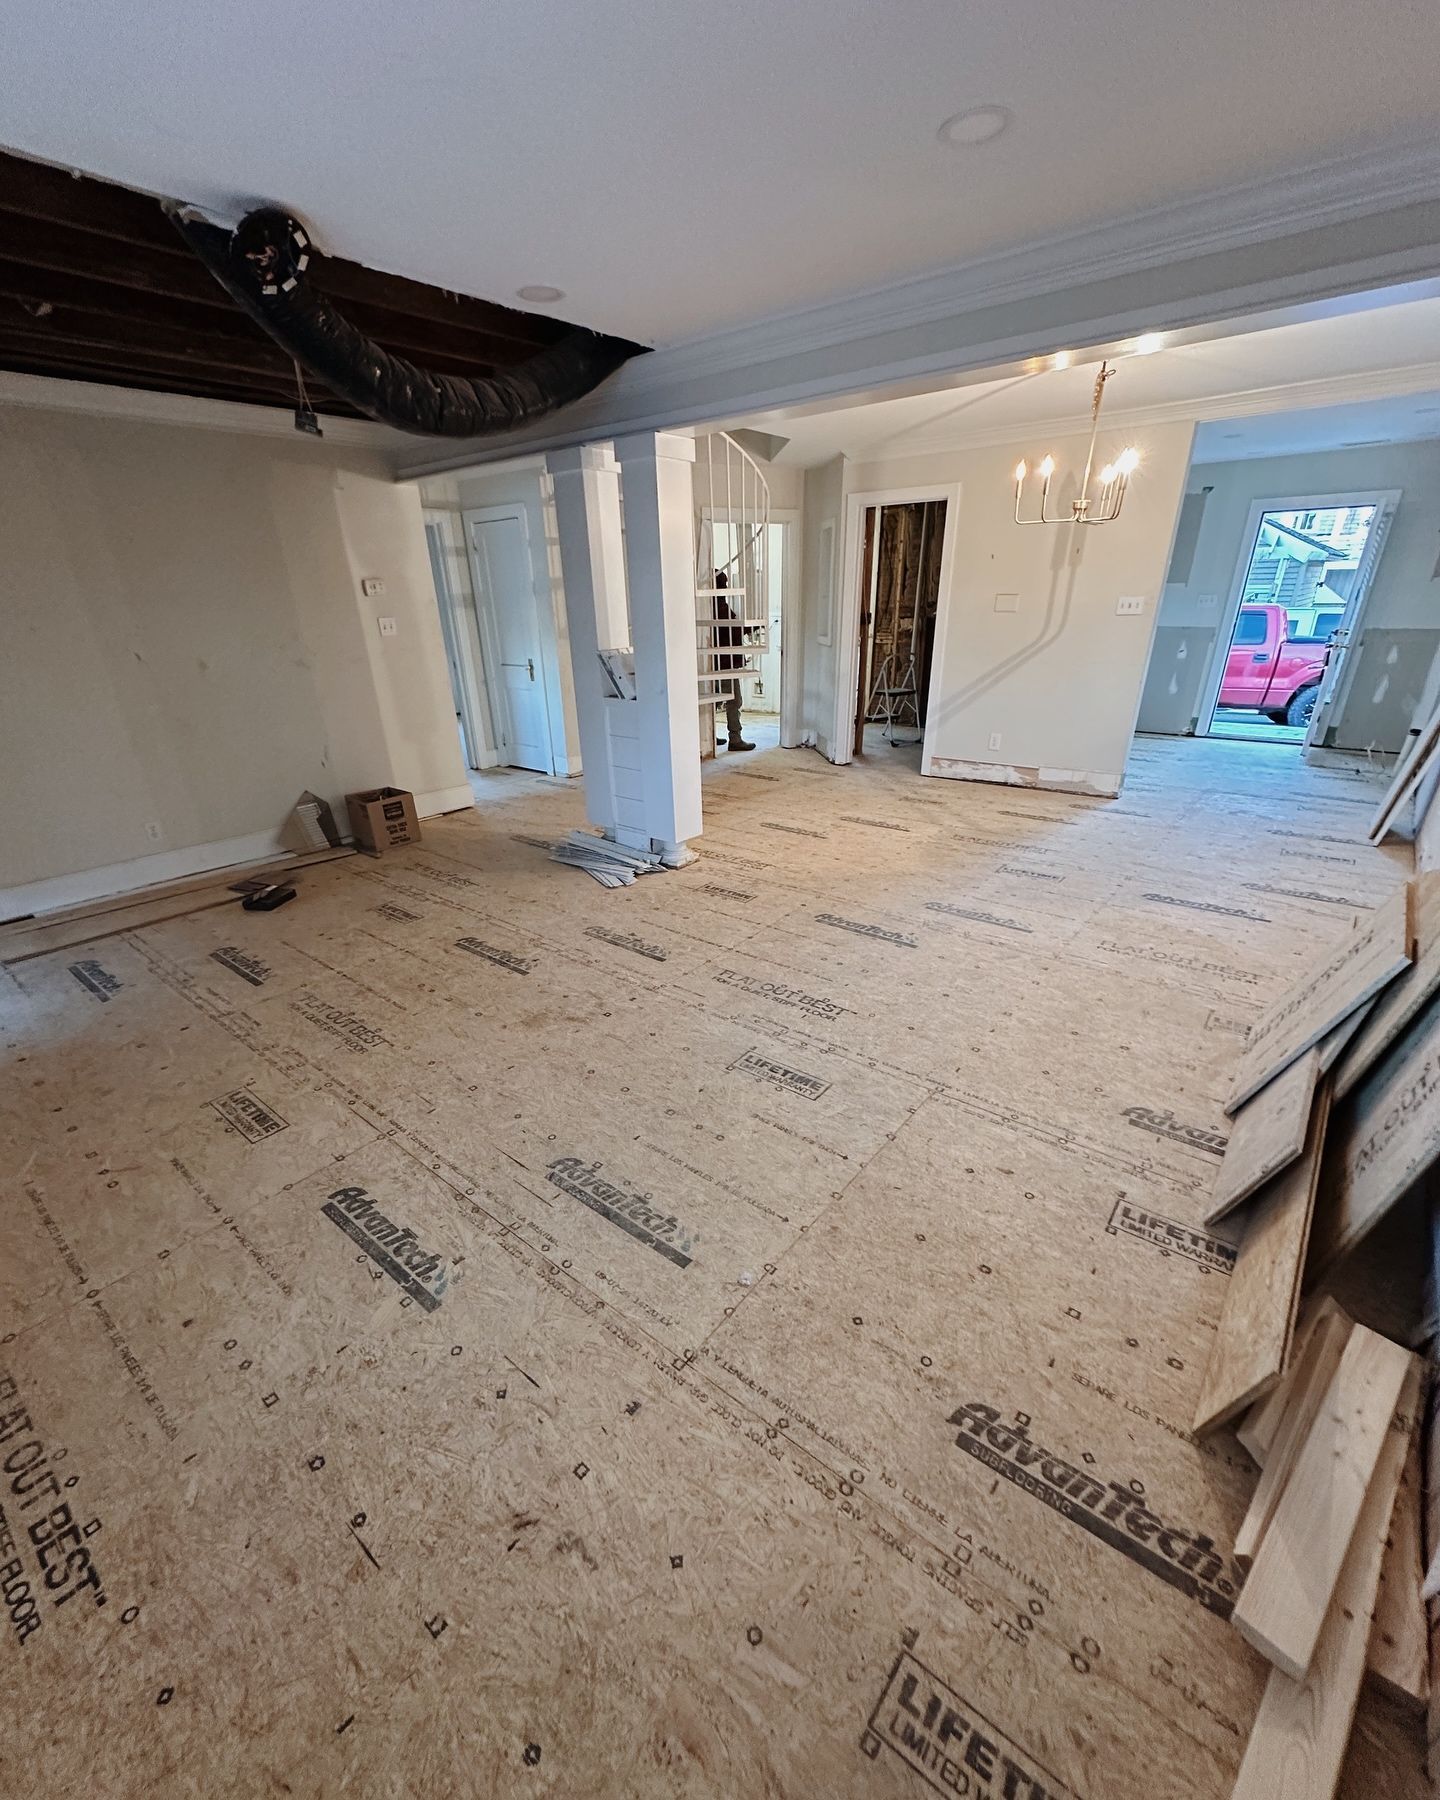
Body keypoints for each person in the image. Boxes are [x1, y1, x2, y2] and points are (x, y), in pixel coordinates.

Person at [712, 570, 754, 751]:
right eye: (724, 583)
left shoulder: (710, 606)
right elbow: (731, 631)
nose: (727, 587)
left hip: (714, 660)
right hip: (725, 662)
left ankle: (708, 736)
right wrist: (749, 627)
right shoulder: (720, 607)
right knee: (734, 700)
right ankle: (735, 738)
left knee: (713, 700)